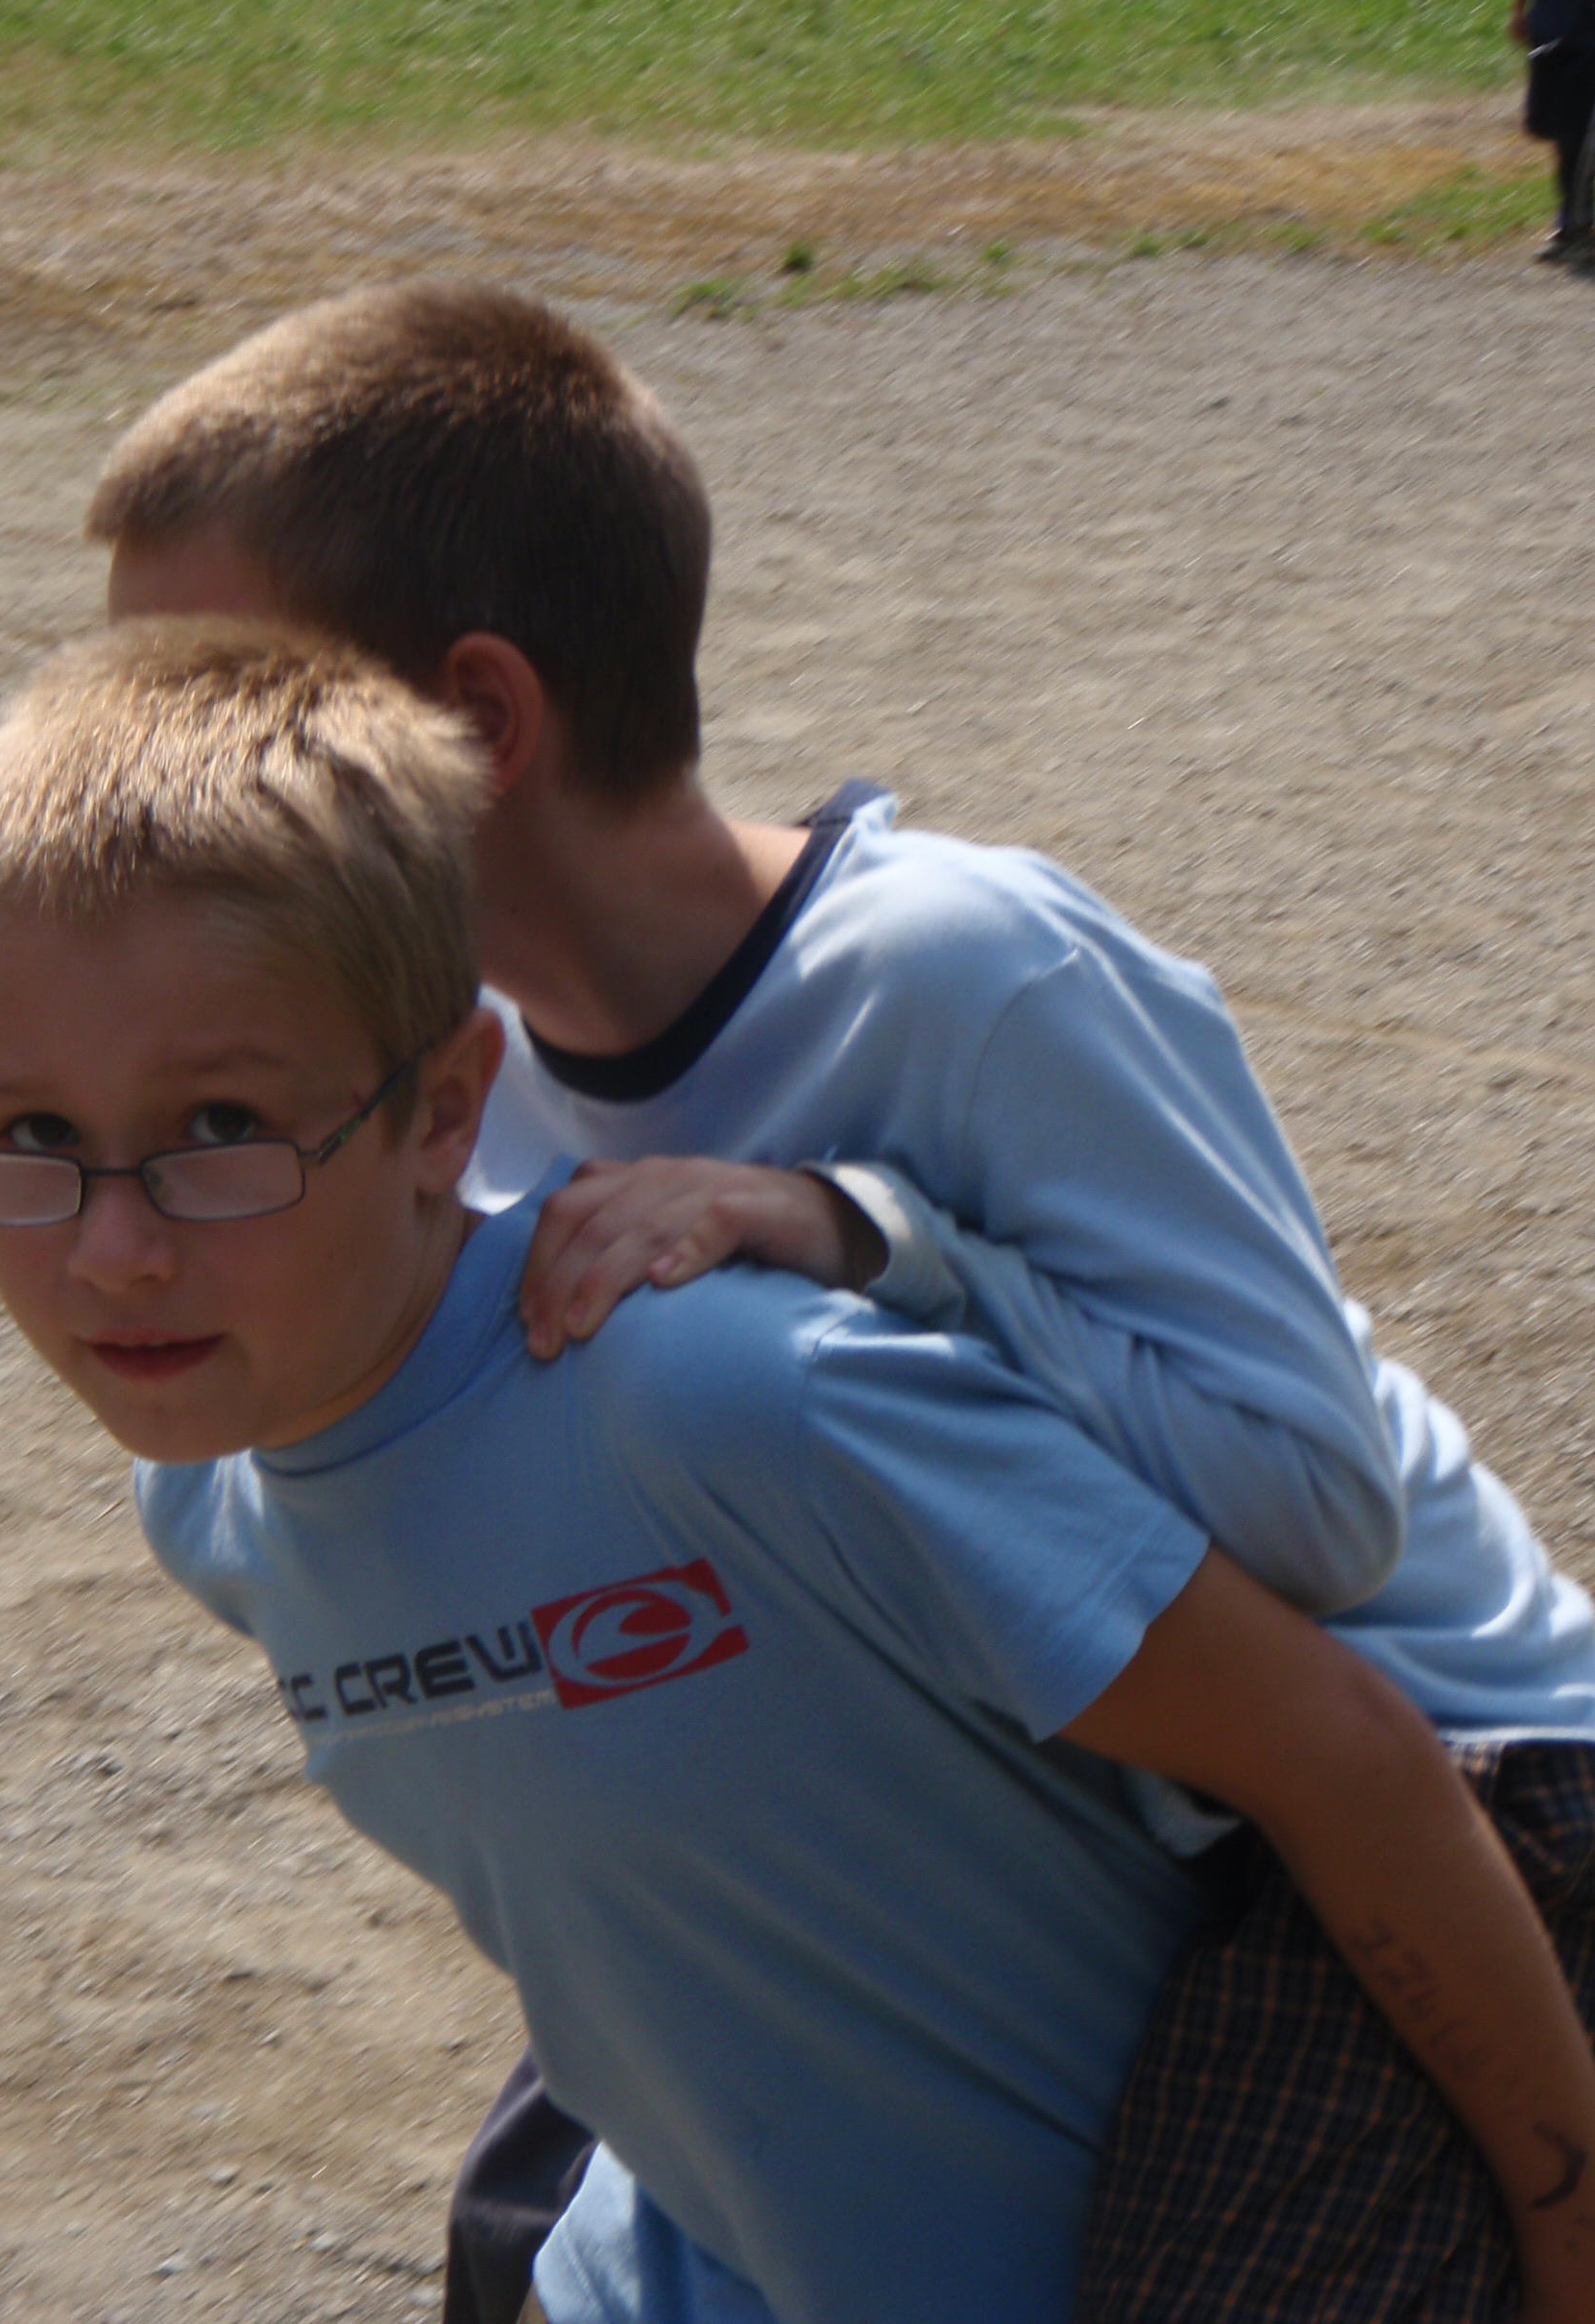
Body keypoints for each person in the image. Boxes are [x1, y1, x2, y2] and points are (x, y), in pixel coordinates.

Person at [85, 284, 1595, 2323]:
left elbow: (1321, 1511)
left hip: (1460, 1776)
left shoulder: (961, 968)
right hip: (1074, 1770)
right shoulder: (470, 1092)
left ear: (482, 724)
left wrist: (868, 1237)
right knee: (543, 2228)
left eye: (212, 702)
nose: (151, 783)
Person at [1512, 0, 1595, 260]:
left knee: (1582, 128)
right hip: (1557, 19)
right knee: (1553, 125)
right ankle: (1574, 222)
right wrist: (1519, 6)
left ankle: (1575, 225)